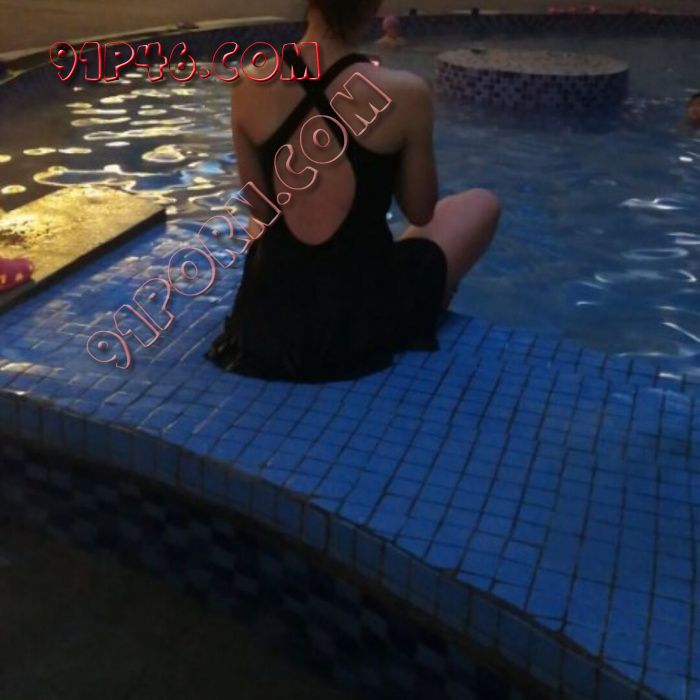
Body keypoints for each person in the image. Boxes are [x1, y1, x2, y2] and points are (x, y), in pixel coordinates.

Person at [206, 0, 500, 383]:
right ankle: (430, 300)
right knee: (481, 204)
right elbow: (420, 211)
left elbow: (260, 211)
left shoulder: (248, 82)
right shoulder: (405, 91)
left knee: (269, 225)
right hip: (359, 323)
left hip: (267, 325)